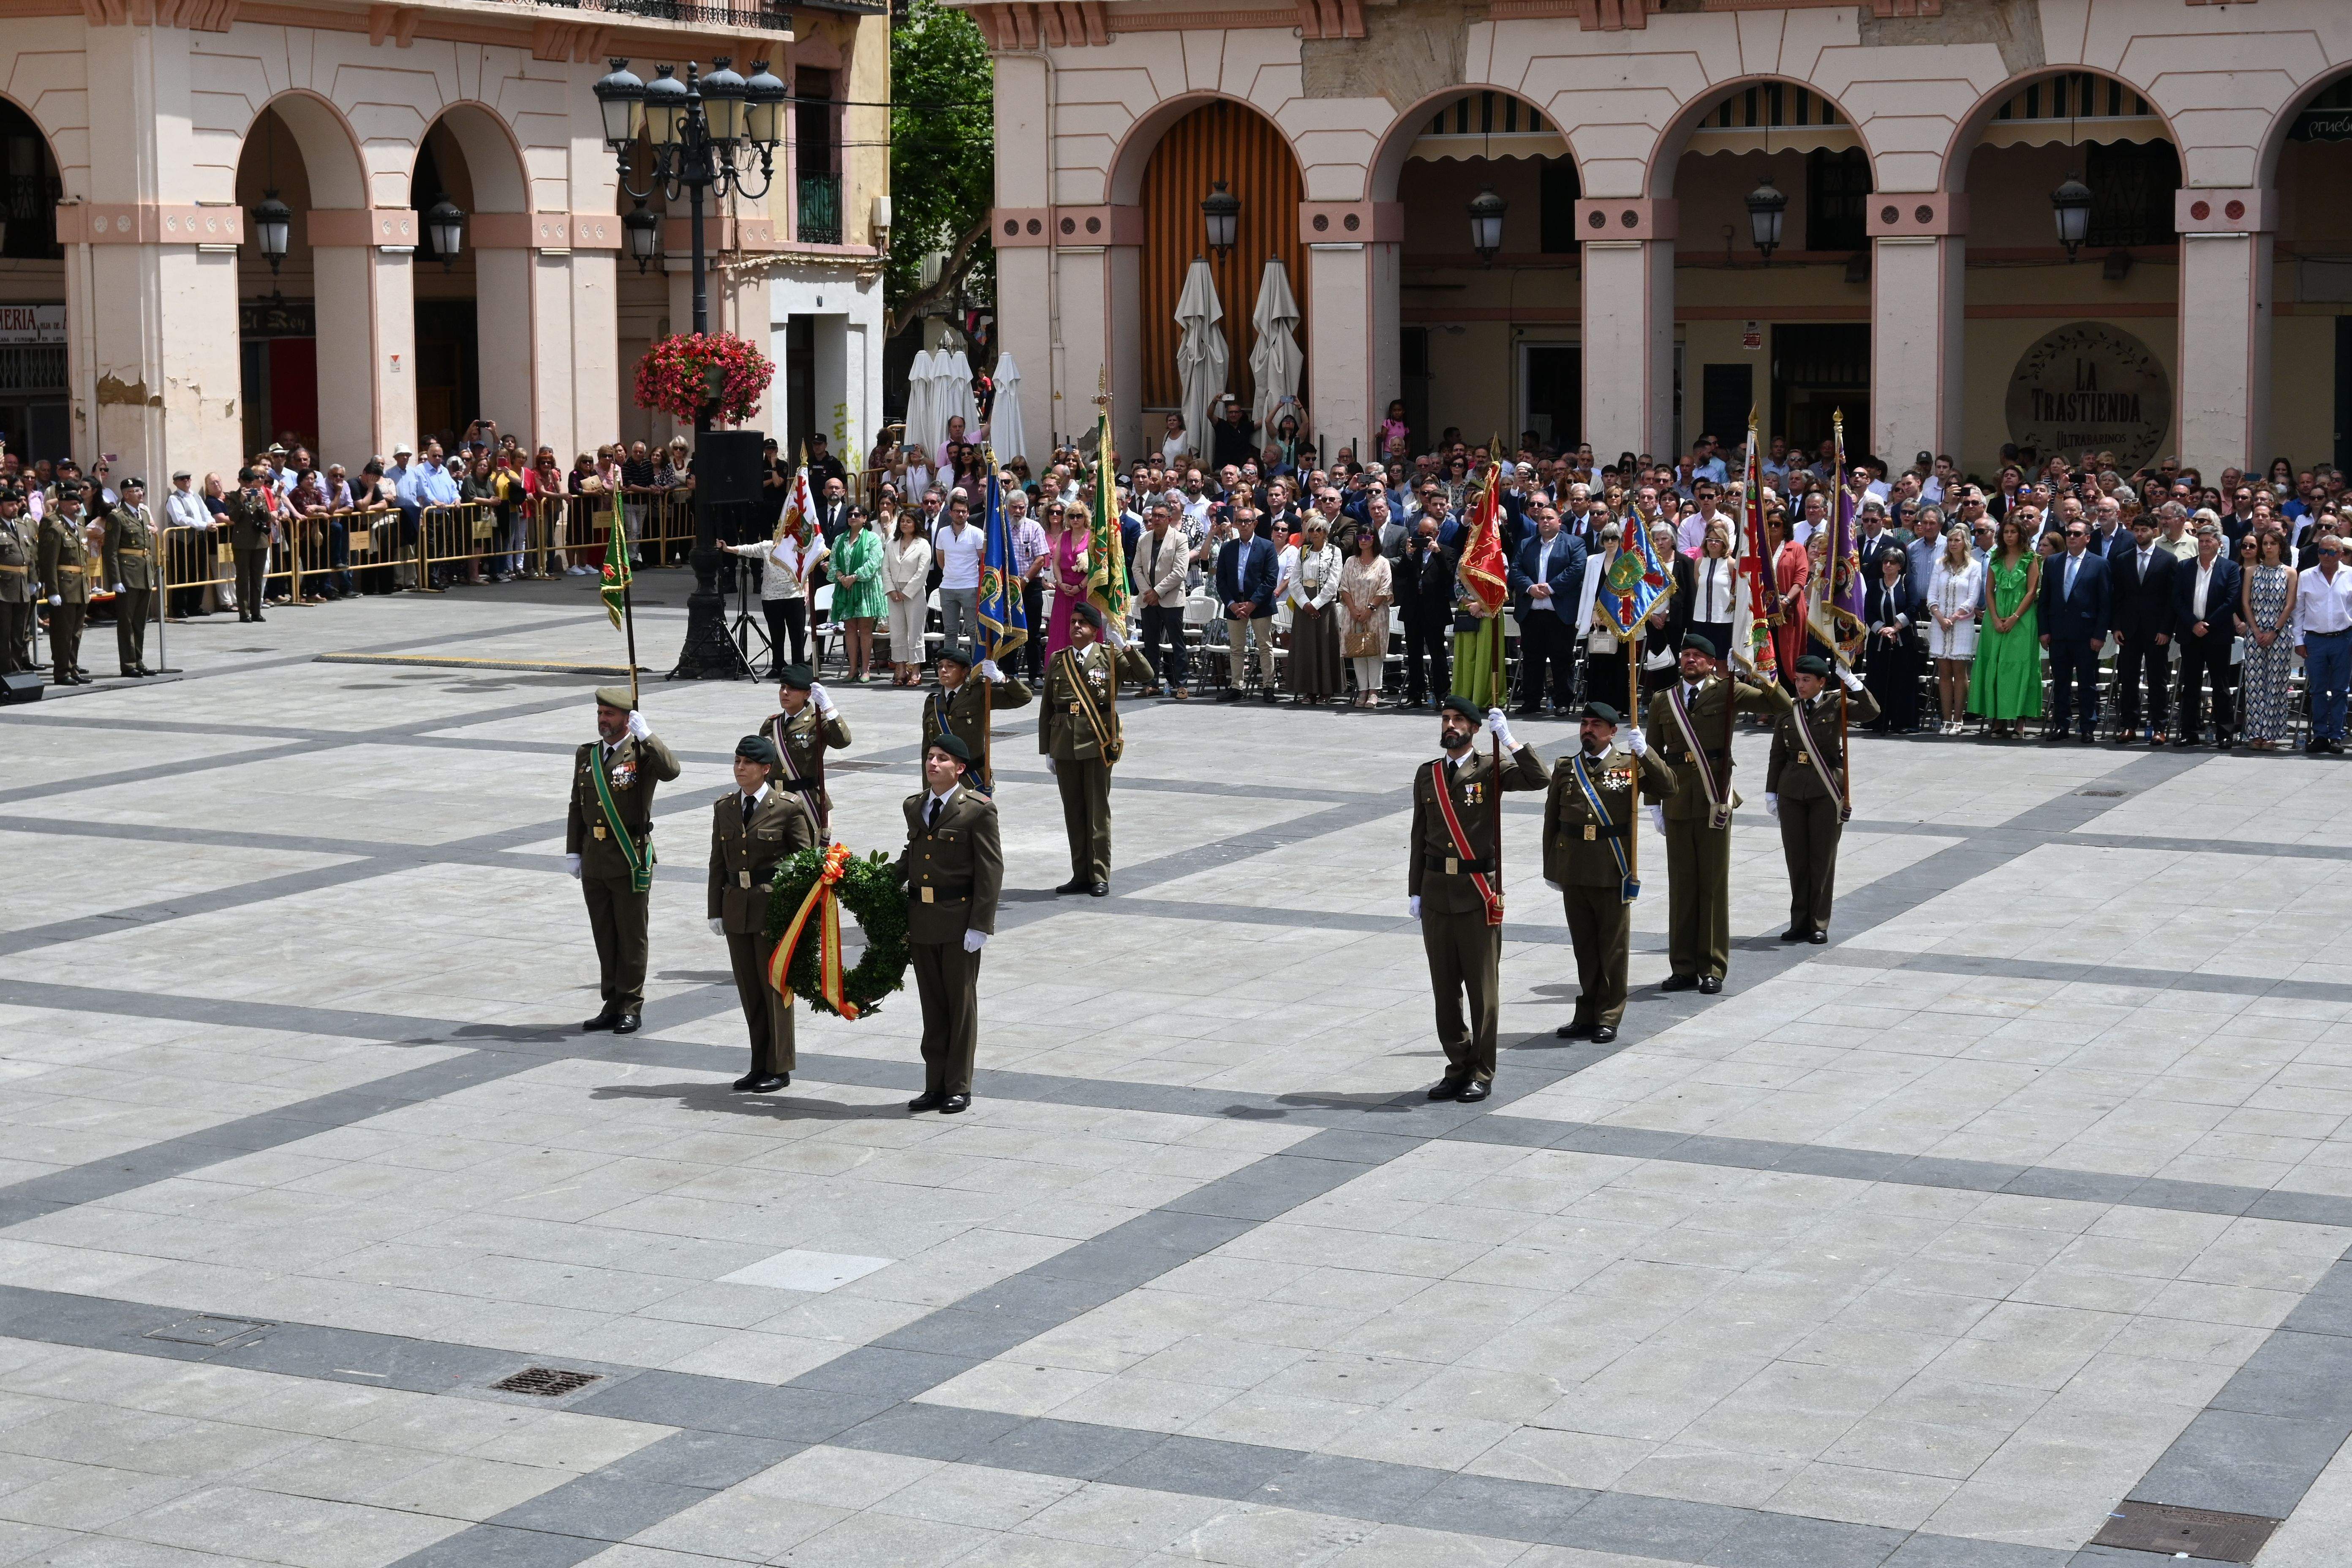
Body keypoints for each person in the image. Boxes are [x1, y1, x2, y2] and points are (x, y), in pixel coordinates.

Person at [1408, 697, 1546, 1102]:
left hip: (1476, 894)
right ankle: (1457, 1064)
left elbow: (1540, 778)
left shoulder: (1491, 767)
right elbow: (1420, 834)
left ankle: (1482, 1071)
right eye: (1446, 720)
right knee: (1445, 988)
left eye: (1458, 721)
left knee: (1482, 990)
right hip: (1436, 893)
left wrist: (1511, 739)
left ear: (1474, 728)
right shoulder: (1428, 774)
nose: (1449, 726)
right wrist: (1415, 889)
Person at [1647, 632, 1791, 993]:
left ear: (1713, 663)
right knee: (1681, 886)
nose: (1690, 660)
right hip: (1678, 799)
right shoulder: (1663, 700)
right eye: (1686, 655)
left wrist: (1764, 676)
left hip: (1714, 799)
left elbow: (1782, 707)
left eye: (1698, 656)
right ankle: (1682, 966)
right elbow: (1651, 757)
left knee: (1712, 884)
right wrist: (1652, 804)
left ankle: (1712, 966)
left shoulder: (1728, 691)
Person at [1544, 701, 1674, 1046]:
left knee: (1612, 949)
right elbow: (1551, 822)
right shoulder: (1566, 767)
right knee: (1584, 947)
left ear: (1612, 732)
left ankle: (1609, 1014)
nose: (1588, 730)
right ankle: (1586, 1012)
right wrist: (1551, 868)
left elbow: (1669, 787)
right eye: (1585, 723)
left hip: (1612, 868)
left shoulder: (1629, 765)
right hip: (1574, 868)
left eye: (1596, 725)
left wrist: (1646, 753)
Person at [566, 688, 681, 1035]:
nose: (603, 720)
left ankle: (631, 1004)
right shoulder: (586, 755)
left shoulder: (641, 753)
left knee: (632, 935)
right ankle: (612, 1003)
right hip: (595, 858)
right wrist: (573, 851)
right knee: (604, 933)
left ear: (626, 719)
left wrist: (648, 735)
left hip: (630, 856)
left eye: (610, 715)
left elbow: (672, 770)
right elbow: (576, 806)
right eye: (600, 713)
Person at [708, 735, 817, 1093]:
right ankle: (758, 1063)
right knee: (750, 990)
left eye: (747, 764)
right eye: (737, 762)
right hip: (736, 907)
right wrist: (715, 910)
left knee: (774, 989)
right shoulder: (724, 806)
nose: (740, 769)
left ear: (765, 769)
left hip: (773, 909)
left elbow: (805, 864)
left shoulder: (787, 807)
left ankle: (779, 1066)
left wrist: (797, 914)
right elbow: (717, 864)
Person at [902, 734, 1002, 1114]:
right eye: (930, 757)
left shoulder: (977, 809)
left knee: (960, 1007)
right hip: (922, 919)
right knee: (933, 1006)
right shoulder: (915, 806)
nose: (933, 764)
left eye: (942, 758)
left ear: (959, 768)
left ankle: (958, 1085)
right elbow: (911, 857)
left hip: (959, 921)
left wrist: (981, 924)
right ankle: (934, 1085)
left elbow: (991, 869)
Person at [1039, 602, 1154, 895]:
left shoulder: (1110, 657)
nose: (1076, 626)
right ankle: (1080, 874)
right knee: (1074, 812)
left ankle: (1099, 874)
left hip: (1097, 741)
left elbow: (1147, 675)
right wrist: (1048, 750)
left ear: (1095, 630)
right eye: (1073, 621)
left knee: (1097, 812)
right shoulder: (1058, 659)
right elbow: (1048, 708)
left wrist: (1126, 647)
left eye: (1083, 623)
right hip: (1064, 743)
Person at [1766, 654, 1877, 944]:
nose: (1800, 686)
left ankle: (1818, 922)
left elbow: (1871, 711)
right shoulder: (1789, 710)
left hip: (1826, 790)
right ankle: (1799, 921)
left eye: (1806, 681)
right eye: (1798, 680)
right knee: (1797, 859)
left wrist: (1851, 680)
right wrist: (1771, 792)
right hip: (1791, 790)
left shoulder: (1836, 703)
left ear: (1822, 682)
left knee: (1822, 859)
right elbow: (1777, 754)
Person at [725, 507, 825, 682]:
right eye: (781, 530)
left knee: (796, 635)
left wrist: (808, 589)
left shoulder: (800, 547)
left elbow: (807, 569)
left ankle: (798, 667)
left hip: (795, 596)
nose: (784, 534)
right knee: (777, 635)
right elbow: (748, 549)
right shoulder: (768, 547)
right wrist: (728, 549)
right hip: (771, 598)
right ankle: (778, 665)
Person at [1508, 506, 1587, 715]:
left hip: (1559, 613)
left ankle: (1563, 701)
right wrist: (1530, 588)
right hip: (1532, 612)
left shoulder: (1574, 543)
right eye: (1542, 518)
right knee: (1532, 659)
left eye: (1550, 518)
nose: (1545, 522)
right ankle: (1531, 701)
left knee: (1562, 659)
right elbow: (1516, 569)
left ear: (1559, 522)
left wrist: (1551, 587)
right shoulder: (1527, 544)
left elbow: (1577, 569)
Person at [1969, 514, 2043, 738]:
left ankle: (2020, 719)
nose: (2010, 536)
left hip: (2022, 619)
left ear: (2021, 534)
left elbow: (2032, 591)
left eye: (2014, 532)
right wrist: (1994, 617)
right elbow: (1989, 590)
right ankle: (1998, 718)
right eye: (2007, 532)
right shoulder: (1996, 557)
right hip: (1996, 619)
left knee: (2019, 666)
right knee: (1997, 666)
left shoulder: (2031, 558)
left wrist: (2014, 617)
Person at [922, 642, 1030, 790]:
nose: (943, 670)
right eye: (940, 666)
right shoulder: (932, 702)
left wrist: (1001, 678)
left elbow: (1023, 698)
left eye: (950, 666)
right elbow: (927, 749)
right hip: (941, 783)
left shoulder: (978, 694)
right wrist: (927, 789)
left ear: (965, 671)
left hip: (972, 780)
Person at [2109, 515, 2178, 744]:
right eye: (2136, 530)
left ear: (2155, 531)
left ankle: (2159, 726)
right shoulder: (2122, 559)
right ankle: (2129, 725)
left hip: (2156, 629)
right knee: (2127, 678)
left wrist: (2166, 629)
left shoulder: (2168, 560)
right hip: (2129, 629)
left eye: (2144, 530)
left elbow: (2172, 599)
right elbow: (2117, 597)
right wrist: (2117, 626)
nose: (2139, 534)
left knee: (2157, 679)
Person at [2172, 522, 2240, 749]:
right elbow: (2178, 600)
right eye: (2201, 541)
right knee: (2190, 685)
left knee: (2220, 686)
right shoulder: (2185, 567)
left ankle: (2224, 734)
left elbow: (2231, 601)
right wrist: (2193, 624)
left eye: (2209, 541)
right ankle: (2189, 732)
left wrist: (2208, 624)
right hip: (2191, 634)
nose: (2204, 545)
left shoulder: (2229, 568)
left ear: (2219, 544)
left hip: (2217, 635)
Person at [764, 665, 852, 838]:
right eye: (783, 687)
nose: (785, 693)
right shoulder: (772, 723)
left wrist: (829, 708)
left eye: (792, 689)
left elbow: (844, 741)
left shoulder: (817, 722)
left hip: (805, 800)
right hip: (774, 800)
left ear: (807, 694)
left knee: (806, 853)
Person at [2240, 528, 2299, 751]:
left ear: (2280, 547)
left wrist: (2274, 630)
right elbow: (2246, 603)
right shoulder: (2251, 571)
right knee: (2255, 683)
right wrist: (2255, 630)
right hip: (2255, 633)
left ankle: (2272, 734)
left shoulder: (2290, 573)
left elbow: (2290, 604)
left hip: (2279, 633)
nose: (2268, 548)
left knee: (2276, 683)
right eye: (2265, 543)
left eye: (2272, 543)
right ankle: (2255, 734)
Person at [2296, 532, 2352, 754]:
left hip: (2344, 639)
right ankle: (2320, 735)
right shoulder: (2307, 576)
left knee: (2340, 690)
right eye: (2322, 551)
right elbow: (2298, 611)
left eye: (2331, 552)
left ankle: (2336, 735)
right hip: (2315, 640)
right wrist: (2299, 640)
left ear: (2340, 554)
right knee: (2318, 690)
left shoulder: (2351, 575)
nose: (2326, 556)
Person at [99, 478, 161, 678]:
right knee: (126, 622)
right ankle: (128, 664)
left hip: (143, 571)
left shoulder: (143, 513)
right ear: (126, 495)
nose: (141, 493)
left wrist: (150, 572)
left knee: (140, 621)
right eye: (136, 491)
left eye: (141, 490)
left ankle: (139, 660)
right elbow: (111, 551)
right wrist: (116, 579)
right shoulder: (117, 517)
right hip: (127, 573)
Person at [1214, 508, 1278, 700]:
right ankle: (1236, 687)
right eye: (1240, 521)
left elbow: (1270, 579)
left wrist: (1253, 603)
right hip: (1235, 604)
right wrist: (1232, 604)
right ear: (1235, 524)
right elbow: (1221, 581)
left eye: (1247, 521)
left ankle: (1268, 687)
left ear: (1255, 524)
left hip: (1260, 605)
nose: (1243, 525)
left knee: (1265, 646)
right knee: (1236, 648)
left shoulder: (1267, 546)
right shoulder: (1228, 548)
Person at [1925, 523, 1982, 734]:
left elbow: (1973, 597)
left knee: (1960, 672)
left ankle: (1959, 719)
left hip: (1962, 624)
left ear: (1966, 542)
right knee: (1944, 672)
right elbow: (1932, 594)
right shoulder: (1940, 564)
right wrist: (1940, 617)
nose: (1953, 544)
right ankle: (1946, 718)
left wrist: (1955, 616)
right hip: (1940, 624)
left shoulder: (1974, 566)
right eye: (1950, 540)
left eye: (1957, 540)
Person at [1132, 499, 1192, 697]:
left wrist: (1157, 592)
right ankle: (1152, 683)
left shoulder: (1179, 539)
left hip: (1171, 599)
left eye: (1160, 516)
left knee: (1177, 642)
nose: (1155, 520)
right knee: (1150, 642)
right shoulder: (1144, 539)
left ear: (1169, 519)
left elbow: (1180, 572)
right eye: (1153, 517)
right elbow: (1136, 568)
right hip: (1148, 599)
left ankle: (1182, 684)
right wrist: (1148, 593)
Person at [1863, 545, 1923, 733]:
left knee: (1902, 681)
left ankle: (1903, 722)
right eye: (1885, 561)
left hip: (1904, 641)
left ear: (1900, 566)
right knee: (1878, 680)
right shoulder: (1873, 585)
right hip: (1879, 641)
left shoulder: (1907, 581)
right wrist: (1882, 629)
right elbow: (1868, 612)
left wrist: (1896, 628)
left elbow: (1914, 606)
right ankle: (1877, 720)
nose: (1888, 565)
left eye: (1893, 562)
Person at [36, 484, 92, 685]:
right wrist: (52, 590)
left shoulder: (81, 528)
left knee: (76, 632)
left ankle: (72, 667)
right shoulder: (55, 526)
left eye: (79, 503)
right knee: (63, 632)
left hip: (80, 586)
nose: (78, 507)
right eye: (74, 503)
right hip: (64, 587)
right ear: (63, 505)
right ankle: (61, 672)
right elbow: (49, 561)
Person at [1395, 512, 1453, 707]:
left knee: (1438, 654)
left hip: (1435, 610)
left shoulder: (1447, 552)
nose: (1424, 537)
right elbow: (1401, 574)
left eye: (1428, 534)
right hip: (1414, 609)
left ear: (1436, 534)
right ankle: (1415, 694)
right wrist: (1408, 554)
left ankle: (1442, 695)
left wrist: (1438, 553)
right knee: (1414, 654)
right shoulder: (1414, 553)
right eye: (1420, 533)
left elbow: (1449, 579)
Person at [1285, 516, 1343, 703]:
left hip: (1325, 607)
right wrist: (1305, 604)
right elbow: (1294, 581)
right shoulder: (1303, 551)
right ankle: (1309, 691)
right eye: (1311, 530)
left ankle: (1326, 691)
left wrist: (1316, 604)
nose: (1315, 534)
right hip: (1304, 605)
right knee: (1306, 647)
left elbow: (1334, 582)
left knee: (1325, 646)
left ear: (1326, 532)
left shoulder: (1335, 552)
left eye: (1319, 530)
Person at [1339, 524, 1392, 709]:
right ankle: (1362, 691)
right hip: (1353, 614)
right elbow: (1344, 587)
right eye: (1360, 537)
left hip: (1376, 614)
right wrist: (1354, 610)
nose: (1363, 540)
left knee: (1373, 652)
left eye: (1368, 537)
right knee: (1357, 652)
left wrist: (1370, 610)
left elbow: (1385, 589)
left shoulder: (1383, 562)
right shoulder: (1351, 561)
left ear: (1374, 540)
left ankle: (1374, 692)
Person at [828, 506, 884, 681]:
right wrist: (842, 577)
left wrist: (854, 577)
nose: (852, 517)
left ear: (865, 519)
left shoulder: (873, 538)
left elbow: (874, 563)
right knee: (850, 629)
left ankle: (866, 669)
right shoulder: (840, 539)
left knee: (865, 629)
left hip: (865, 589)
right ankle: (852, 669)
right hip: (845, 588)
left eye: (857, 515)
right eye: (850, 515)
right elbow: (833, 563)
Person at [882, 507, 933, 685]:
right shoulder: (892, 543)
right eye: (902, 521)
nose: (904, 524)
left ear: (916, 524)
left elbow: (922, 572)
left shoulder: (923, 544)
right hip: (894, 593)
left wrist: (906, 592)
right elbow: (885, 569)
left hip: (914, 593)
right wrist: (892, 590)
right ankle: (901, 669)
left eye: (908, 521)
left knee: (915, 632)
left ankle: (916, 671)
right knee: (897, 632)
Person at [932, 495, 984, 653]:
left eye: (964, 511)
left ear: (968, 513)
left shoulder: (977, 533)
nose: (960, 514)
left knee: (973, 632)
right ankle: (951, 672)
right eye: (957, 511)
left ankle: (977, 672)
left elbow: (983, 561)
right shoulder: (942, 533)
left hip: (971, 588)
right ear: (950, 513)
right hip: (947, 588)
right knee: (950, 633)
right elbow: (941, 561)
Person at [1765, 507, 1810, 680]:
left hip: (1789, 608)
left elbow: (1800, 580)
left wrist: (1786, 601)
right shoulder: (1760, 549)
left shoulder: (1797, 549)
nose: (1773, 527)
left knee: (1788, 652)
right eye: (1770, 524)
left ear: (1786, 527)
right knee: (1767, 651)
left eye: (1778, 524)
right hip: (1764, 609)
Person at [226, 467, 274, 623]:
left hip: (259, 542)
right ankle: (244, 613)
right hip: (242, 543)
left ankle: (256, 612)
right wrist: (240, 501)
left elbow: (267, 516)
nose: (248, 484)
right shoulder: (233, 496)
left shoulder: (257, 495)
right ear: (239, 480)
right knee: (242, 579)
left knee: (257, 578)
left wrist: (260, 505)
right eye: (245, 481)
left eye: (250, 481)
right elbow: (233, 517)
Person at [0, 491, 32, 676]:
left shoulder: (21, 525)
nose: (15, 508)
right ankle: (5, 672)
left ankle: (16, 668)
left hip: (22, 586)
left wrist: (34, 580)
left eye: (16, 504)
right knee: (4, 634)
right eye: (10, 505)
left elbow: (30, 555)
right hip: (3, 588)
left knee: (19, 634)